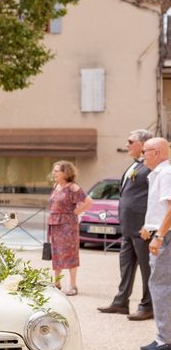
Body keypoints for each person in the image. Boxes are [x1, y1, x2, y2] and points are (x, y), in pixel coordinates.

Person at [98, 129, 154, 319]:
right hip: (128, 228)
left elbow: (154, 199)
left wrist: (149, 224)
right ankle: (121, 302)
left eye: (131, 141)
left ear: (143, 144)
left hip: (142, 228)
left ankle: (148, 306)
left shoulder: (151, 168)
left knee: (147, 269)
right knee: (125, 266)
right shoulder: (135, 166)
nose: (127, 144)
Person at [139, 137, 171, 350]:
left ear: (158, 152)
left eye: (145, 151)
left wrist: (158, 235)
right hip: (162, 233)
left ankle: (164, 338)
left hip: (166, 236)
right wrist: (148, 226)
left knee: (160, 286)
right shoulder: (159, 174)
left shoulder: (166, 173)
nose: (142, 155)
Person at [47, 161, 93, 296]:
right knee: (56, 253)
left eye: (57, 171)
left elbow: (89, 201)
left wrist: (76, 212)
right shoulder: (56, 186)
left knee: (70, 253)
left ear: (65, 172)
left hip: (68, 225)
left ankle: (73, 285)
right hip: (55, 224)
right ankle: (56, 282)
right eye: (54, 170)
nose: (54, 173)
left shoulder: (73, 187)